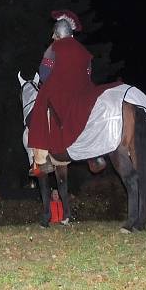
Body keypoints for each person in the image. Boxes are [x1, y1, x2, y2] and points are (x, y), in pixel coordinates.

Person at [27, 10, 121, 174]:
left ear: (57, 34)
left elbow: (43, 74)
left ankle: (41, 160)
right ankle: (96, 155)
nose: (52, 38)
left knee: (40, 106)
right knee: (91, 111)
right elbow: (88, 74)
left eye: (54, 34)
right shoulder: (84, 51)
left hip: (59, 91)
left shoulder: (53, 48)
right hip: (82, 91)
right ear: (70, 34)